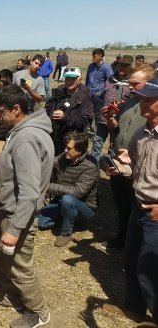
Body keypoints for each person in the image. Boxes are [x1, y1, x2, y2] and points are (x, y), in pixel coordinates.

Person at [0, 84, 53, 328]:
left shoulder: (26, 139)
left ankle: (38, 313)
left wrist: (14, 230)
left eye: (0, 111)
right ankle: (14, 297)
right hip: (9, 209)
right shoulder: (21, 130)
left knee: (20, 267)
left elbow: (29, 192)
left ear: (16, 109)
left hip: (17, 215)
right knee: (6, 261)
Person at [102, 76, 158, 327]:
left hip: (155, 214)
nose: (142, 104)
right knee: (132, 260)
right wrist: (119, 169)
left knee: (151, 268)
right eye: (141, 98)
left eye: (148, 100)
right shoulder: (141, 133)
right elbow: (135, 167)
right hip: (139, 206)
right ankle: (135, 308)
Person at [98, 63, 155, 251]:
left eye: (135, 83)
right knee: (122, 205)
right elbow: (117, 130)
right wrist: (110, 119)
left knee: (136, 206)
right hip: (121, 160)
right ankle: (123, 239)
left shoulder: (151, 107)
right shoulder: (129, 101)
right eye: (129, 83)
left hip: (139, 164)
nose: (129, 87)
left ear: (150, 83)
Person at [37, 132, 99, 247]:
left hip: (84, 206)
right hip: (61, 202)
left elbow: (78, 192)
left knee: (68, 199)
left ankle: (66, 232)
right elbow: (49, 163)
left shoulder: (90, 167)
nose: (65, 150)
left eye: (69, 148)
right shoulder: (65, 157)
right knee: (39, 222)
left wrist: (47, 186)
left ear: (79, 151)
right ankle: (69, 218)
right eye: (66, 147)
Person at [91, 55, 133, 163]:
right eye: (120, 65)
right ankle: (92, 171)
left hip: (119, 122)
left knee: (115, 148)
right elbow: (102, 93)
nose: (121, 68)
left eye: (125, 66)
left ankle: (113, 170)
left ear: (131, 67)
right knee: (96, 145)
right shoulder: (110, 79)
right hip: (103, 119)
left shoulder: (133, 83)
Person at [45, 67, 93, 155]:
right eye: (67, 78)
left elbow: (83, 121)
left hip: (73, 138)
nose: (69, 81)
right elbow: (49, 105)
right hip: (56, 134)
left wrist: (65, 117)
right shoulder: (60, 89)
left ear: (79, 79)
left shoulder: (85, 96)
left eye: (73, 79)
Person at [85, 48, 114, 134]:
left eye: (94, 56)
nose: (93, 58)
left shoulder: (106, 67)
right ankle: (88, 129)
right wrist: (86, 90)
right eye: (92, 56)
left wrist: (99, 93)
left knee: (99, 115)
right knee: (88, 113)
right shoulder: (90, 66)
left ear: (101, 56)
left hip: (99, 96)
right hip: (89, 94)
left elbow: (110, 82)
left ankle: (98, 132)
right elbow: (87, 80)